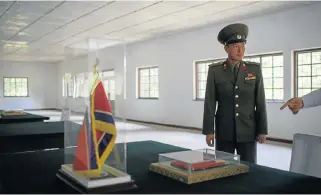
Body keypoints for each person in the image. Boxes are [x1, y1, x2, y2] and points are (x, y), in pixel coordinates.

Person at [202, 23, 268, 164]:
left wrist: (262, 130)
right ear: (226, 48)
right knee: (223, 167)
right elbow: (210, 102)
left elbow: (260, 102)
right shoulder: (215, 71)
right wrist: (209, 130)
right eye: (236, 46)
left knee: (249, 168)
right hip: (224, 130)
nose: (241, 50)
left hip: (248, 130)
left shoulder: (254, 70)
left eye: (243, 46)